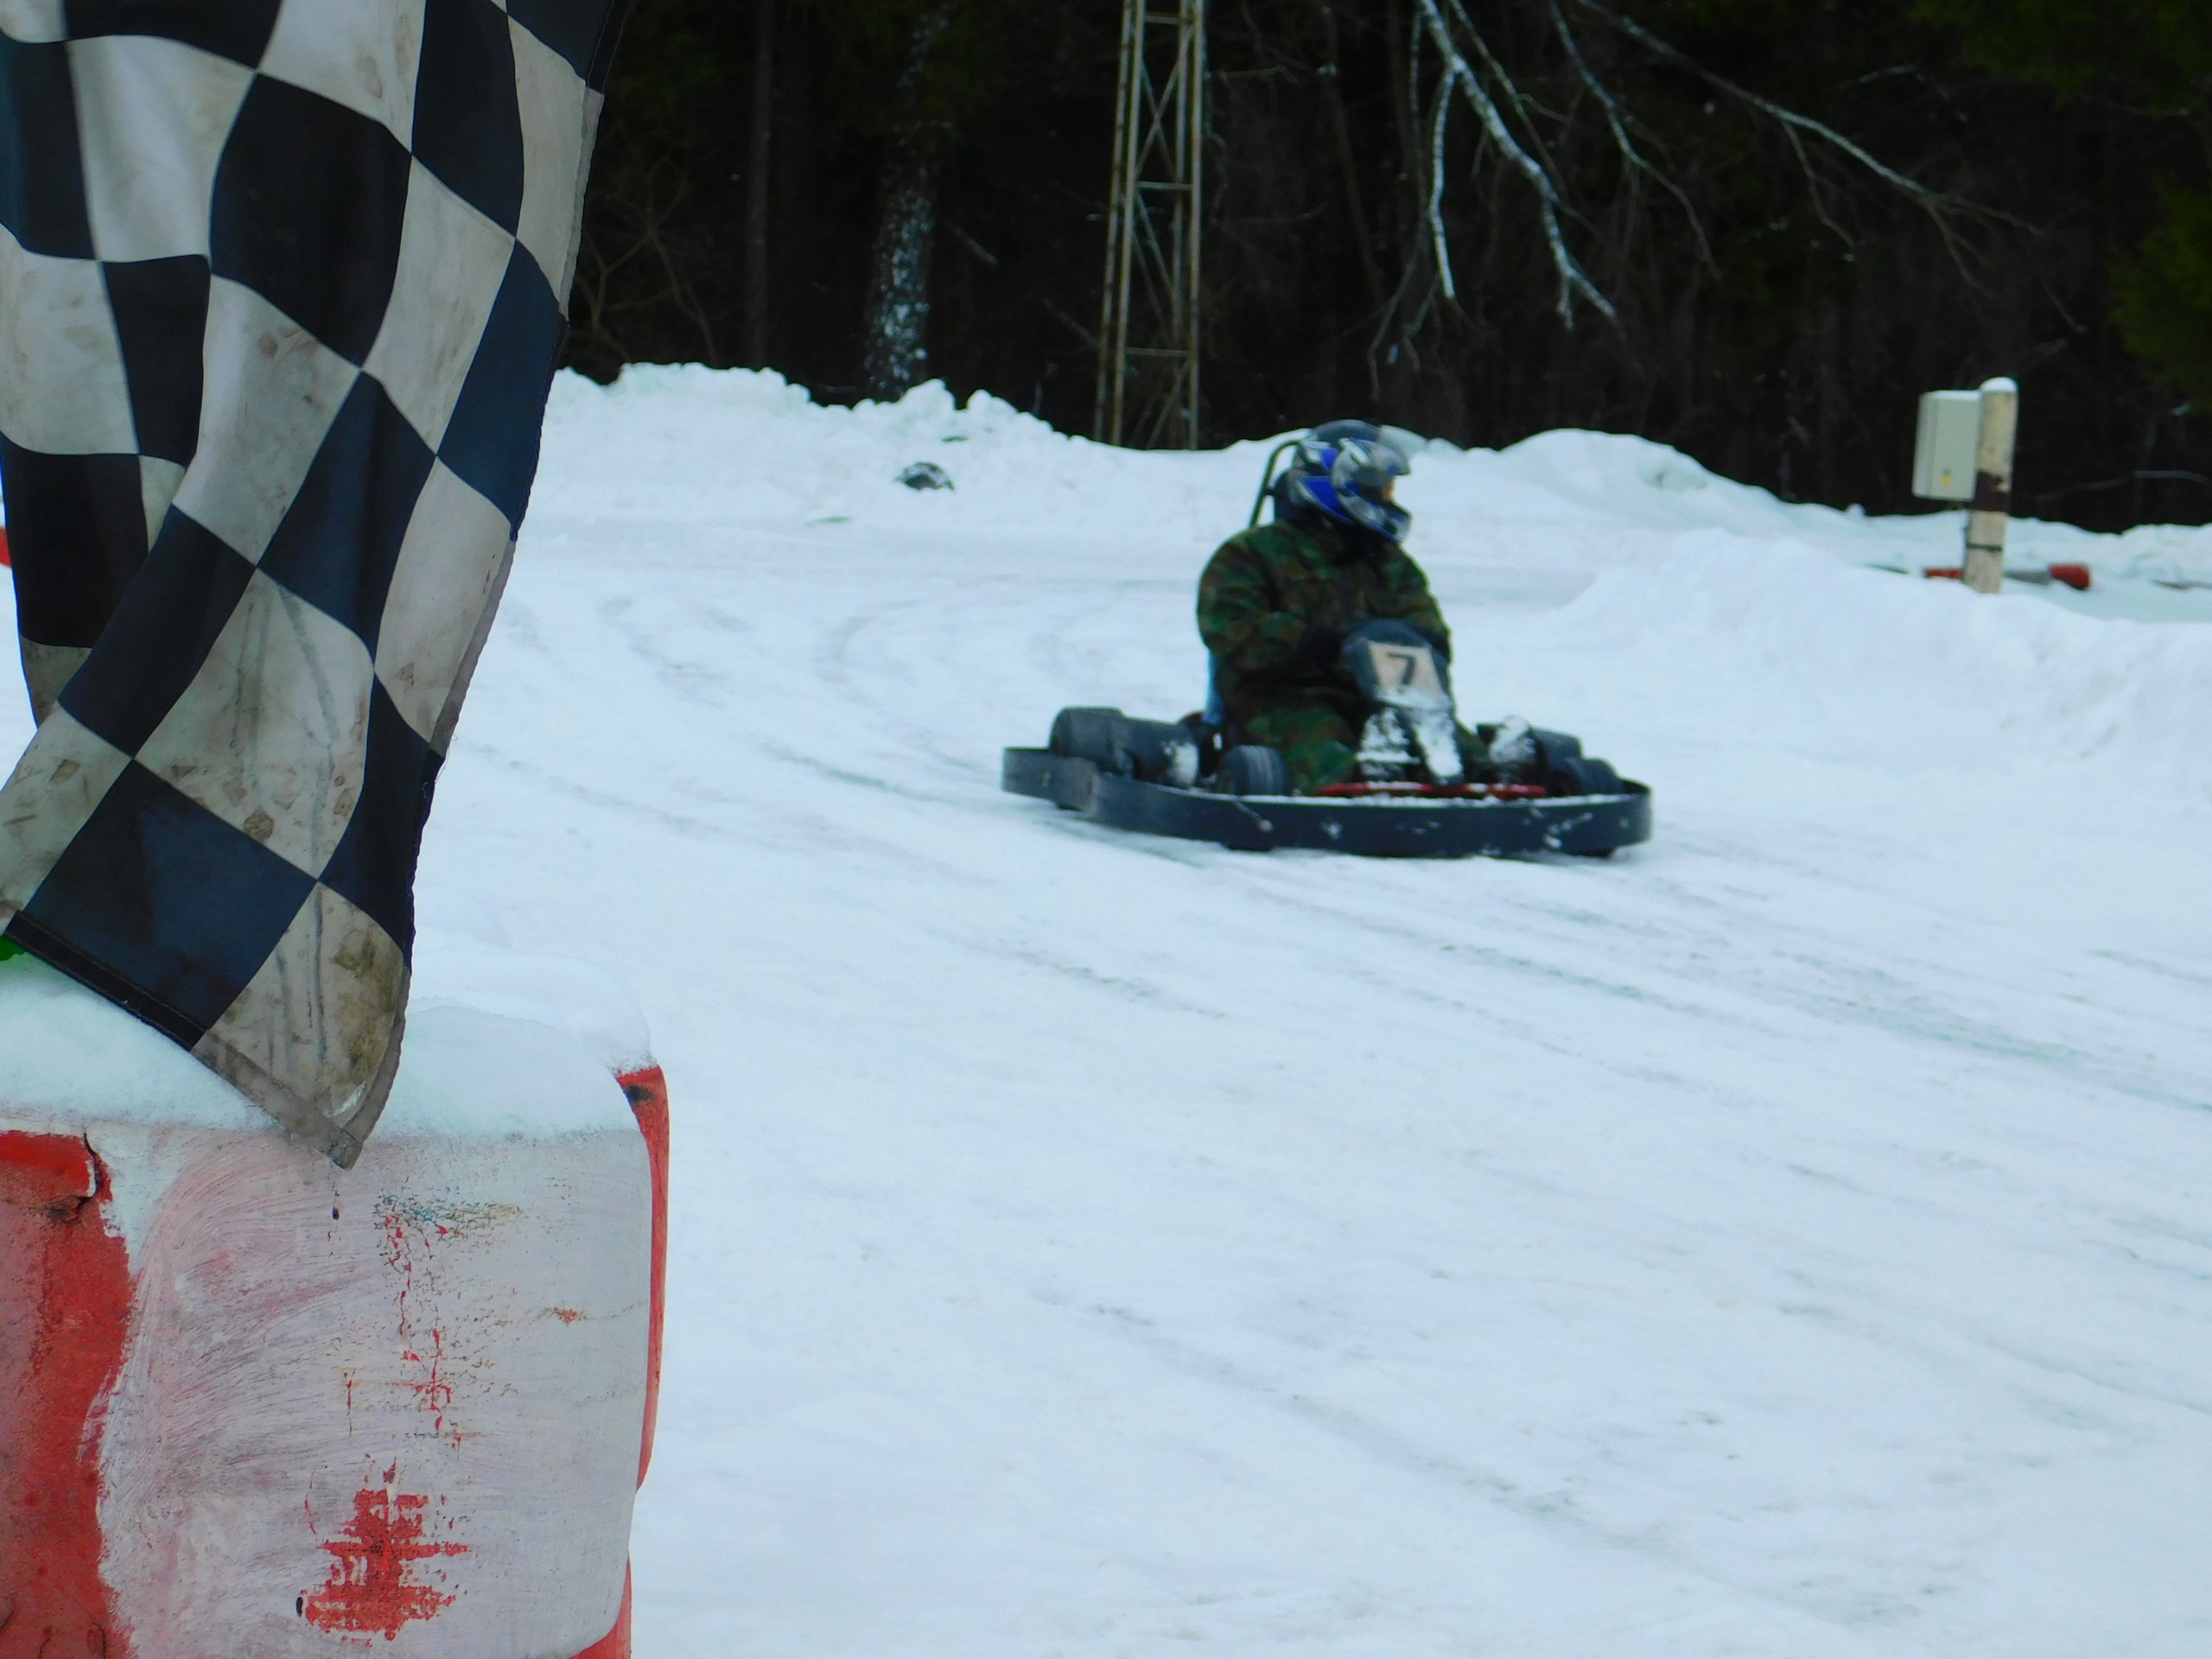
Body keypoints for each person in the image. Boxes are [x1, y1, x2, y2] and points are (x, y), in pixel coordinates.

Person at [1197, 420, 1515, 792]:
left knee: (1464, 756)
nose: (1388, 496)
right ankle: (1367, 785)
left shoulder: (1389, 562)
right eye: (1379, 486)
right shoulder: (1251, 553)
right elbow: (1229, 629)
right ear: (1338, 484)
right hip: (1283, 698)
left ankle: (1492, 778)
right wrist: (1312, 643)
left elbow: (1428, 629)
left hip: (1379, 699)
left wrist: (1416, 644)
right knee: (1330, 758)